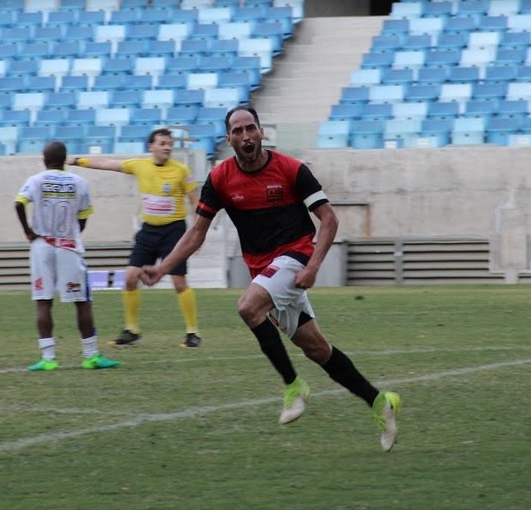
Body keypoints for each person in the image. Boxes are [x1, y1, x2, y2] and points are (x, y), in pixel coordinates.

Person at [140, 105, 402, 451]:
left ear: (262, 133)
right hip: (264, 269)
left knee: (248, 307)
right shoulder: (219, 179)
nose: (246, 136)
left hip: (295, 257)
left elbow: (329, 220)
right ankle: (379, 402)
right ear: (229, 139)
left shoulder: (292, 170)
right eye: (238, 131)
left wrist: (313, 266)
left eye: (251, 129)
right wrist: (162, 268)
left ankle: (293, 386)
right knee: (316, 348)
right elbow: (196, 234)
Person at [65, 128, 202, 348]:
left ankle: (193, 333)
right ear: (151, 147)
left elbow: (195, 203)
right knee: (130, 277)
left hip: (174, 232)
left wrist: (197, 235)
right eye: (162, 143)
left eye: (169, 143)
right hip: (148, 231)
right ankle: (131, 330)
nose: (167, 147)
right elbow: (107, 164)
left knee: (179, 281)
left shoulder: (182, 171)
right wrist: (75, 160)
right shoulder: (139, 165)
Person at [15, 141, 121, 371]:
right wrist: (72, 233)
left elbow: (19, 203)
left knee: (44, 302)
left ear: (45, 160)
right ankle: (90, 356)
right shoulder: (80, 183)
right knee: (82, 301)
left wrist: (28, 231)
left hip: (41, 246)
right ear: (64, 160)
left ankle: (48, 359)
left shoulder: (35, 180)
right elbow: (83, 218)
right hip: (68, 246)